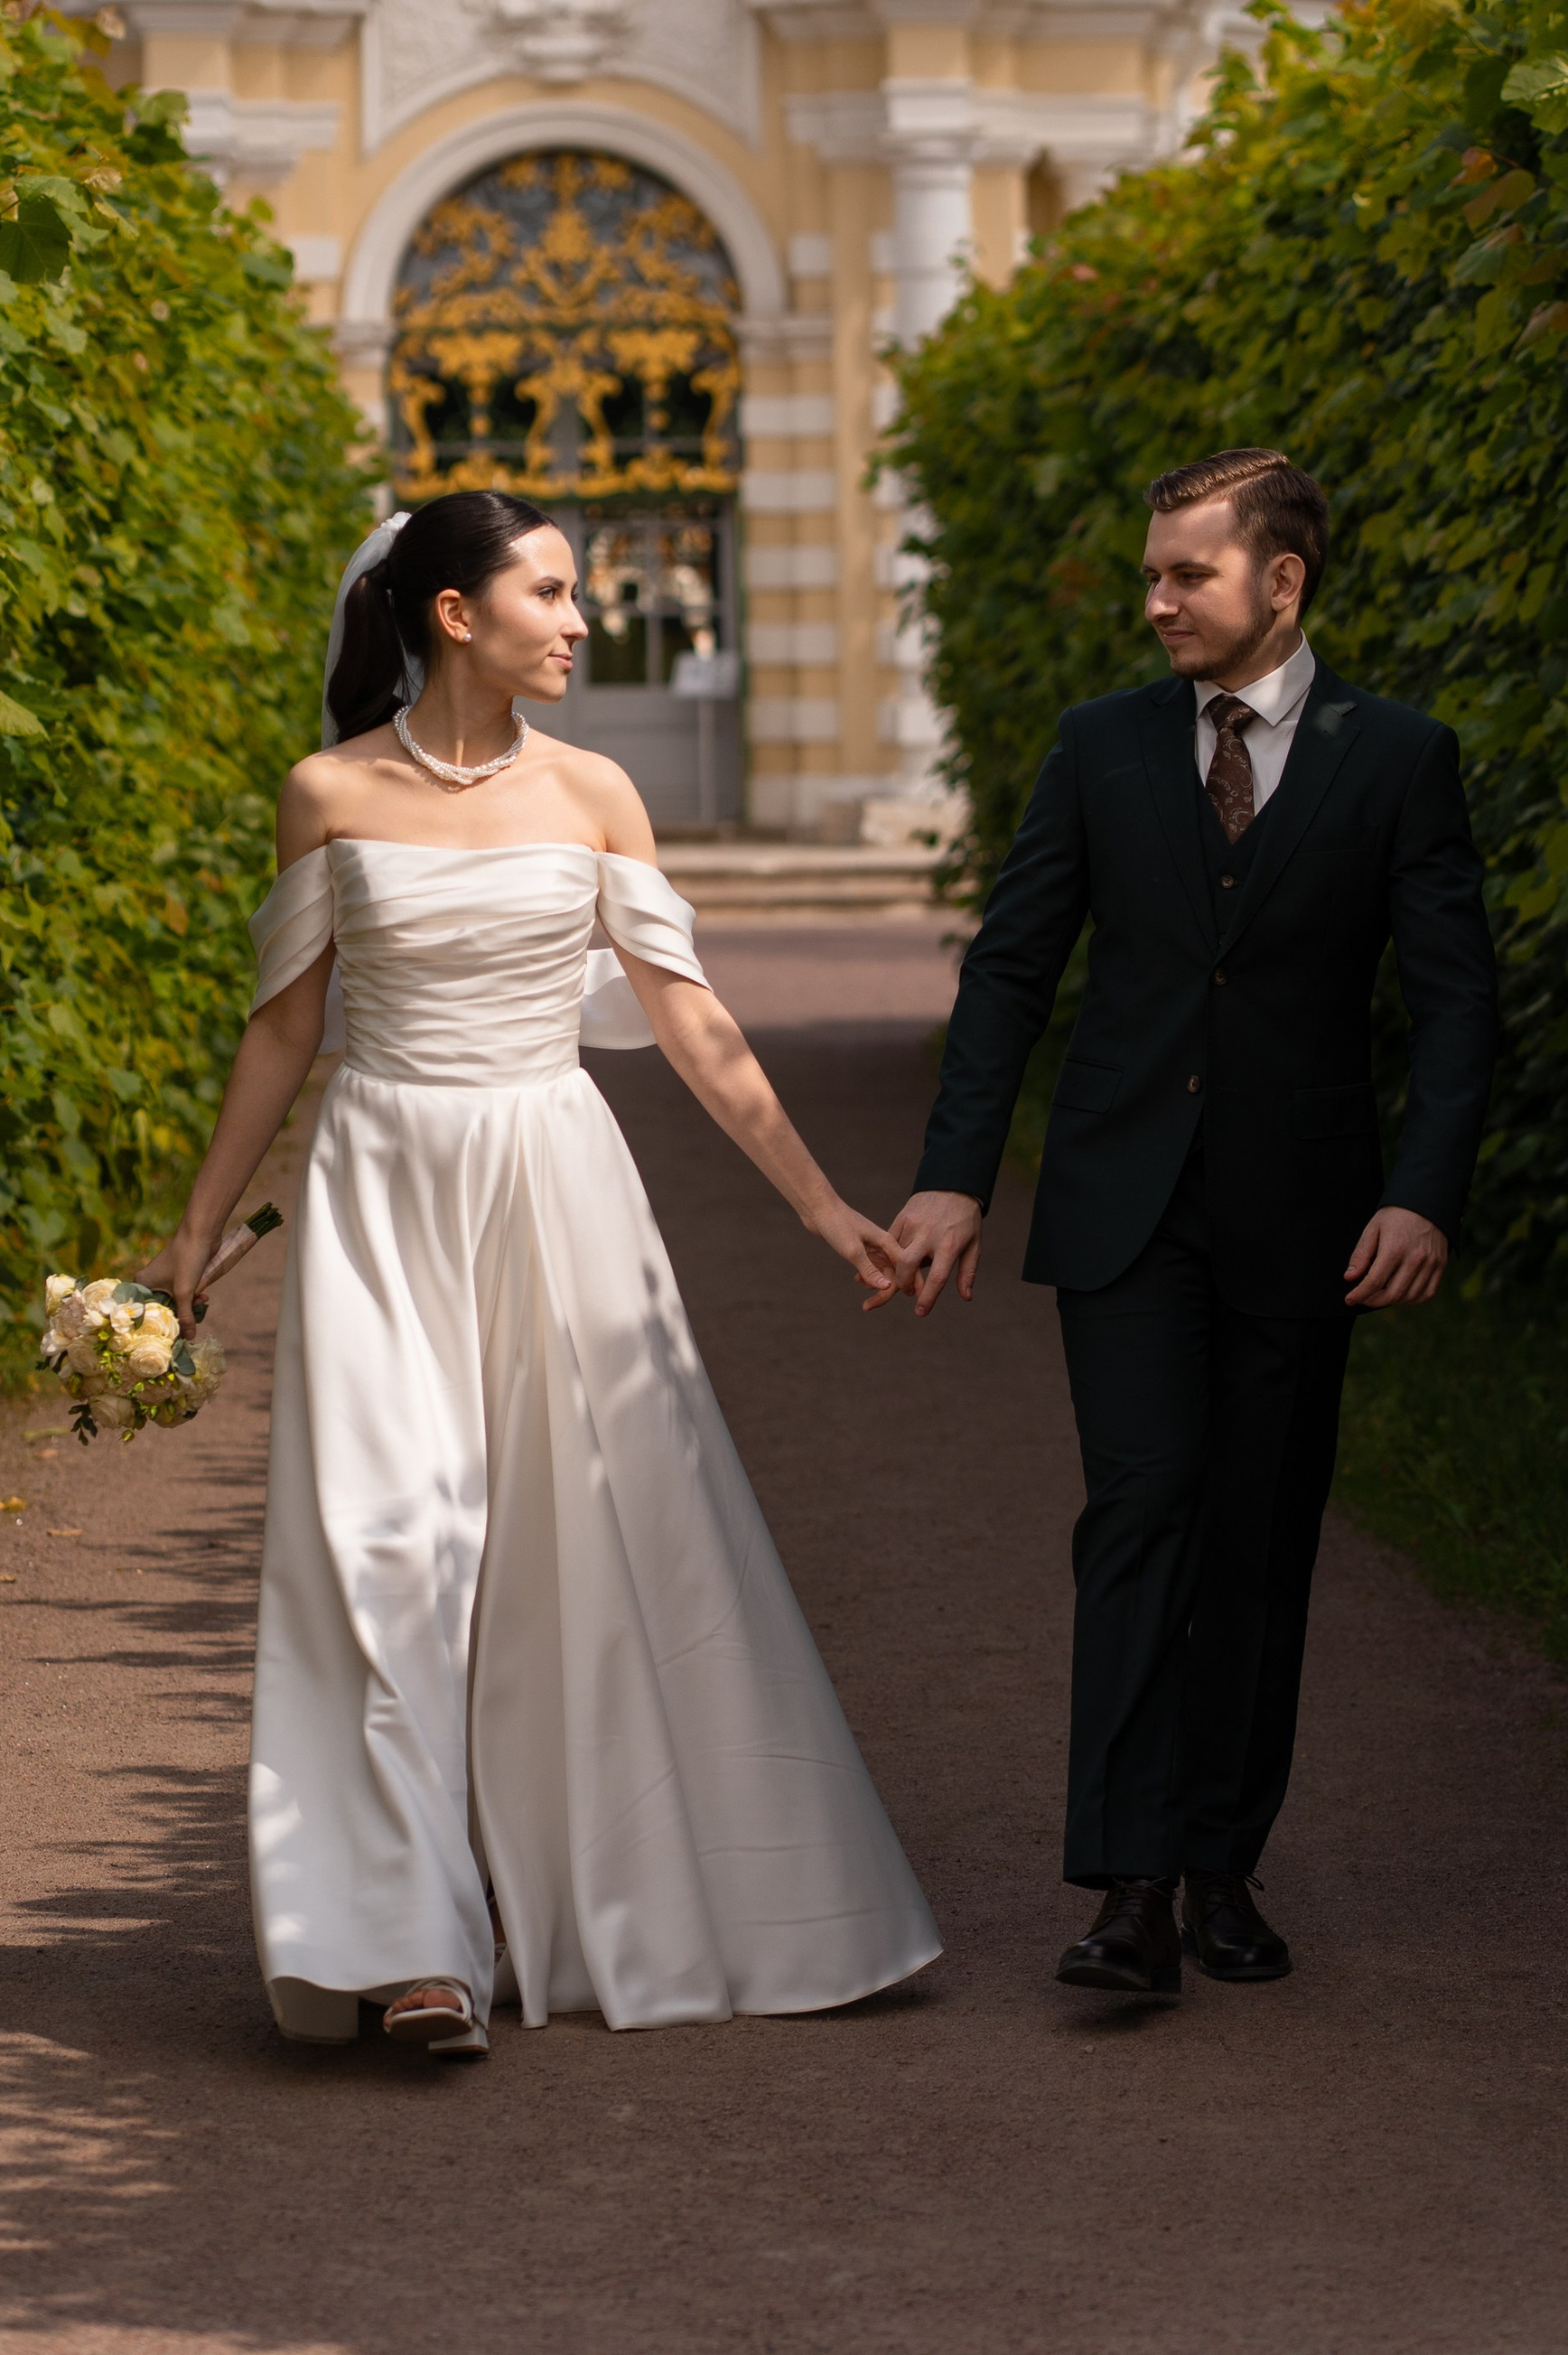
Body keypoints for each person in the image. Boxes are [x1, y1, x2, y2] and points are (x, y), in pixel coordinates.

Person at [147, 490, 939, 2058]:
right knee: (386, 1545)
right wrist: (196, 1229)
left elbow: (690, 1017)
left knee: (582, 1544)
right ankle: (410, 1947)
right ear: (455, 613)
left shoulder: (596, 792)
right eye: (555, 591)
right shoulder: (327, 791)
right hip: (380, 1188)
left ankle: (590, 1892)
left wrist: (820, 1205)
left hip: (555, 1183)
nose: (583, 620)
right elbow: (286, 1024)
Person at [891, 449, 1498, 2001]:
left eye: (1187, 574)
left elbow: (1455, 1001)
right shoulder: (1099, 745)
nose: (1157, 601)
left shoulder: (1399, 757)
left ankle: (1225, 1859)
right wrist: (957, 1171)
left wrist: (1422, 1190)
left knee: (1260, 1529)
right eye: (1152, 574)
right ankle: (1132, 1887)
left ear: (1280, 581)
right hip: (1125, 1206)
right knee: (1144, 1504)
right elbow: (1012, 965)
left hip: (1308, 1214)